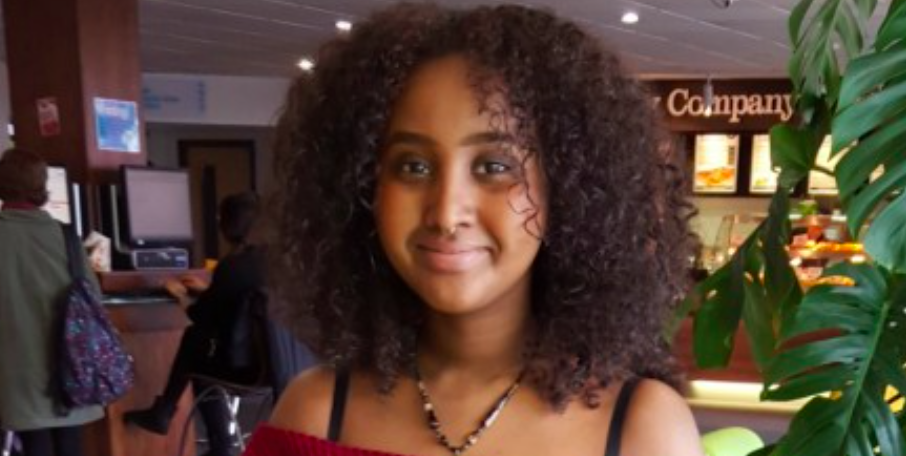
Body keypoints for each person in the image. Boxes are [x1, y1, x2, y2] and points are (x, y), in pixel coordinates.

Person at [248, 4, 702, 456]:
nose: (446, 213)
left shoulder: (642, 428)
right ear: (363, 190)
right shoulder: (317, 414)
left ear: (568, 191)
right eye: (413, 166)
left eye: (494, 166)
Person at [124, 192, 266, 456]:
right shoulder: (272, 262)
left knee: (196, 341)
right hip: (273, 367)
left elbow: (201, 316)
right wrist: (208, 291)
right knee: (200, 354)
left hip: (241, 368)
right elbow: (233, 302)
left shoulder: (232, 267)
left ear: (225, 224)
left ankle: (170, 413)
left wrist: (181, 296)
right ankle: (216, 442)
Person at [0, 148, 103, 456]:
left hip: (15, 371)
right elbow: (94, 298)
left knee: (35, 441)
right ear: (42, 186)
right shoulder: (67, 237)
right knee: (69, 439)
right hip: (69, 364)